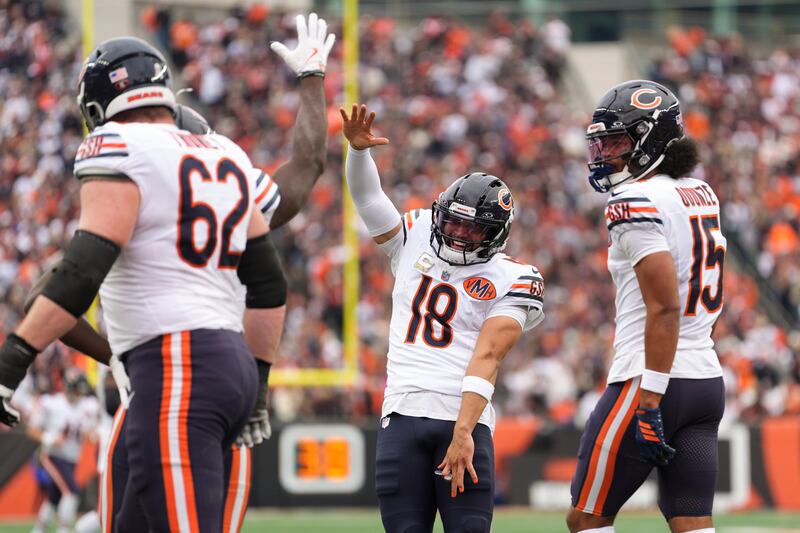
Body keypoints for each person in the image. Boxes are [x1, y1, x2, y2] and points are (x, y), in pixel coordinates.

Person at [18, 14, 336, 533]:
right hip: (218, 379)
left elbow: (50, 289)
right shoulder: (227, 172)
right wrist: (312, 82)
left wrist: (111, 358)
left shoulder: (134, 168)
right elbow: (303, 171)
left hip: (170, 380)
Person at [341, 104, 545, 533]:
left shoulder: (513, 277)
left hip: (463, 417)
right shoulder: (414, 236)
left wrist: (463, 430)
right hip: (402, 413)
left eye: (473, 230)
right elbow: (368, 199)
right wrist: (358, 153)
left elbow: (488, 356)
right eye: (453, 222)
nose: (458, 234)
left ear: (497, 234)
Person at [566, 80, 726, 533]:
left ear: (653, 139)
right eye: (602, 142)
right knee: (693, 523)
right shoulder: (701, 193)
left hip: (651, 378)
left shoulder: (633, 201)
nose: (605, 153)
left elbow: (665, 307)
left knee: (587, 518)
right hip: (705, 380)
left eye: (617, 141)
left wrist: (652, 395)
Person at [27, 370, 99, 533]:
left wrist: (92, 433)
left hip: (72, 458)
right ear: (68, 387)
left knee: (54, 497)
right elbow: (31, 430)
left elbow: (88, 430)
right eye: (77, 390)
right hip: (52, 456)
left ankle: (39, 529)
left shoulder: (86, 406)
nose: (80, 394)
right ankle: (64, 529)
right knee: (71, 492)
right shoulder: (52, 404)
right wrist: (48, 437)